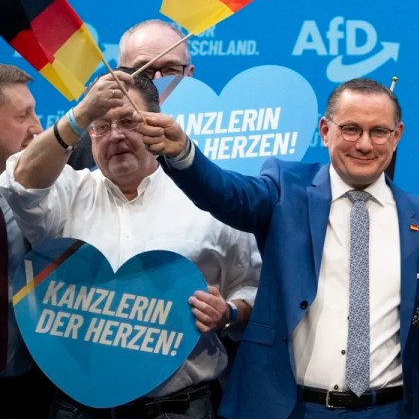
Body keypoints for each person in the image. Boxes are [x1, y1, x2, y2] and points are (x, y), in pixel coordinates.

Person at [136, 77, 419, 418]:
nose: (364, 144)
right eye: (350, 129)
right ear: (325, 130)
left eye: (379, 132)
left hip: (388, 410)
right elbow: (226, 193)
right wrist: (184, 153)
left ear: (397, 135)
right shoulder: (287, 189)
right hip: (291, 408)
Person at [0, 72, 260, 418]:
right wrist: (78, 116)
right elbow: (18, 184)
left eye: (128, 121)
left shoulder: (209, 202)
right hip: (76, 409)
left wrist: (228, 312)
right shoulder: (67, 193)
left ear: (156, 123)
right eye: (101, 125)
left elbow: (253, 289)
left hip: (178, 408)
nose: (116, 135)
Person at [68, 19, 195, 171]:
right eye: (144, 70)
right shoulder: (85, 148)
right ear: (118, 74)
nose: (158, 80)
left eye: (171, 70)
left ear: (189, 74)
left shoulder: (220, 133)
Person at [0, 64, 51, 419]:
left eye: (35, 111)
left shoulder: (43, 190)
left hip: (32, 383)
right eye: (23, 116)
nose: (37, 127)